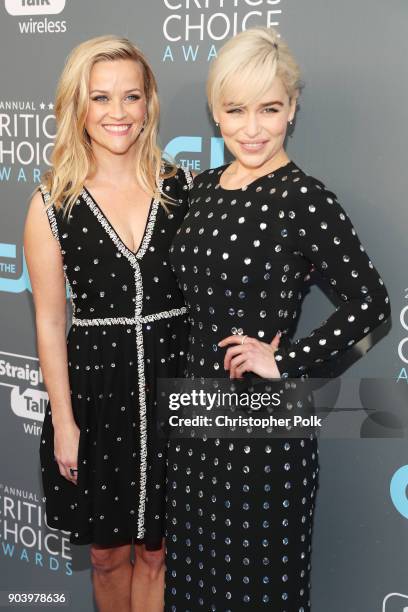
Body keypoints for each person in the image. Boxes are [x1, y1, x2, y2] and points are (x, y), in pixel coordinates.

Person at [165, 27, 391, 610]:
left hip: (264, 426)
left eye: (269, 108)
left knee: (260, 585)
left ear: (291, 108)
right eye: (236, 109)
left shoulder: (305, 198)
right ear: (216, 112)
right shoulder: (201, 189)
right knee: (194, 582)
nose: (252, 127)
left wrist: (283, 360)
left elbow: (371, 301)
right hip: (194, 419)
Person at [24, 35, 192, 612]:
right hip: (99, 395)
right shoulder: (53, 201)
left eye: (131, 96)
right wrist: (65, 422)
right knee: (107, 555)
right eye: (101, 98)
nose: (117, 113)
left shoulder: (183, 189)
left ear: (149, 104)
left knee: (158, 552)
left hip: (173, 386)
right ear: (79, 107)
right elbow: (49, 321)